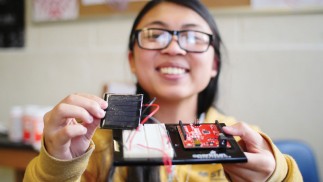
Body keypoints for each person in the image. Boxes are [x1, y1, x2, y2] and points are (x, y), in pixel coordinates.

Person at [24, 0, 302, 181]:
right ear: (132, 60)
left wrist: (276, 175)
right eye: (155, 35)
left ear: (214, 63)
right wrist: (58, 167)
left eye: (193, 37)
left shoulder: (248, 145)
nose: (173, 48)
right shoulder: (91, 147)